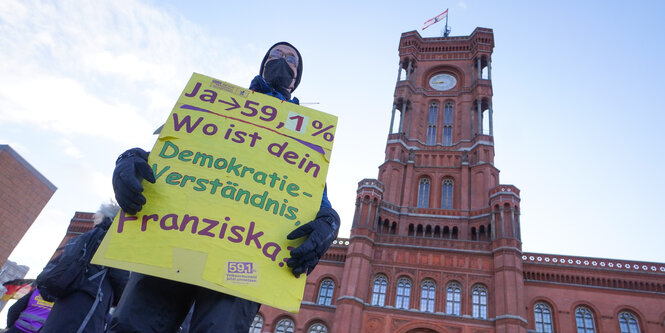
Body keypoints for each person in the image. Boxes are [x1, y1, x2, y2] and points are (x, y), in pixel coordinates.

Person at [108, 42, 340, 332]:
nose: (283, 59)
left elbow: (310, 190)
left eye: (291, 58)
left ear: (296, 77)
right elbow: (173, 152)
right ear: (263, 65)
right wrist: (130, 158)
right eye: (275, 55)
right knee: (135, 324)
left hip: (245, 253)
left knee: (220, 327)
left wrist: (329, 220)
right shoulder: (215, 103)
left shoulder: (307, 133)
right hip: (176, 235)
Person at [39, 203, 130, 333]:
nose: (94, 219)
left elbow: (55, 266)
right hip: (90, 302)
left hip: (65, 300)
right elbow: (120, 277)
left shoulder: (78, 239)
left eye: (96, 218)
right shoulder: (113, 240)